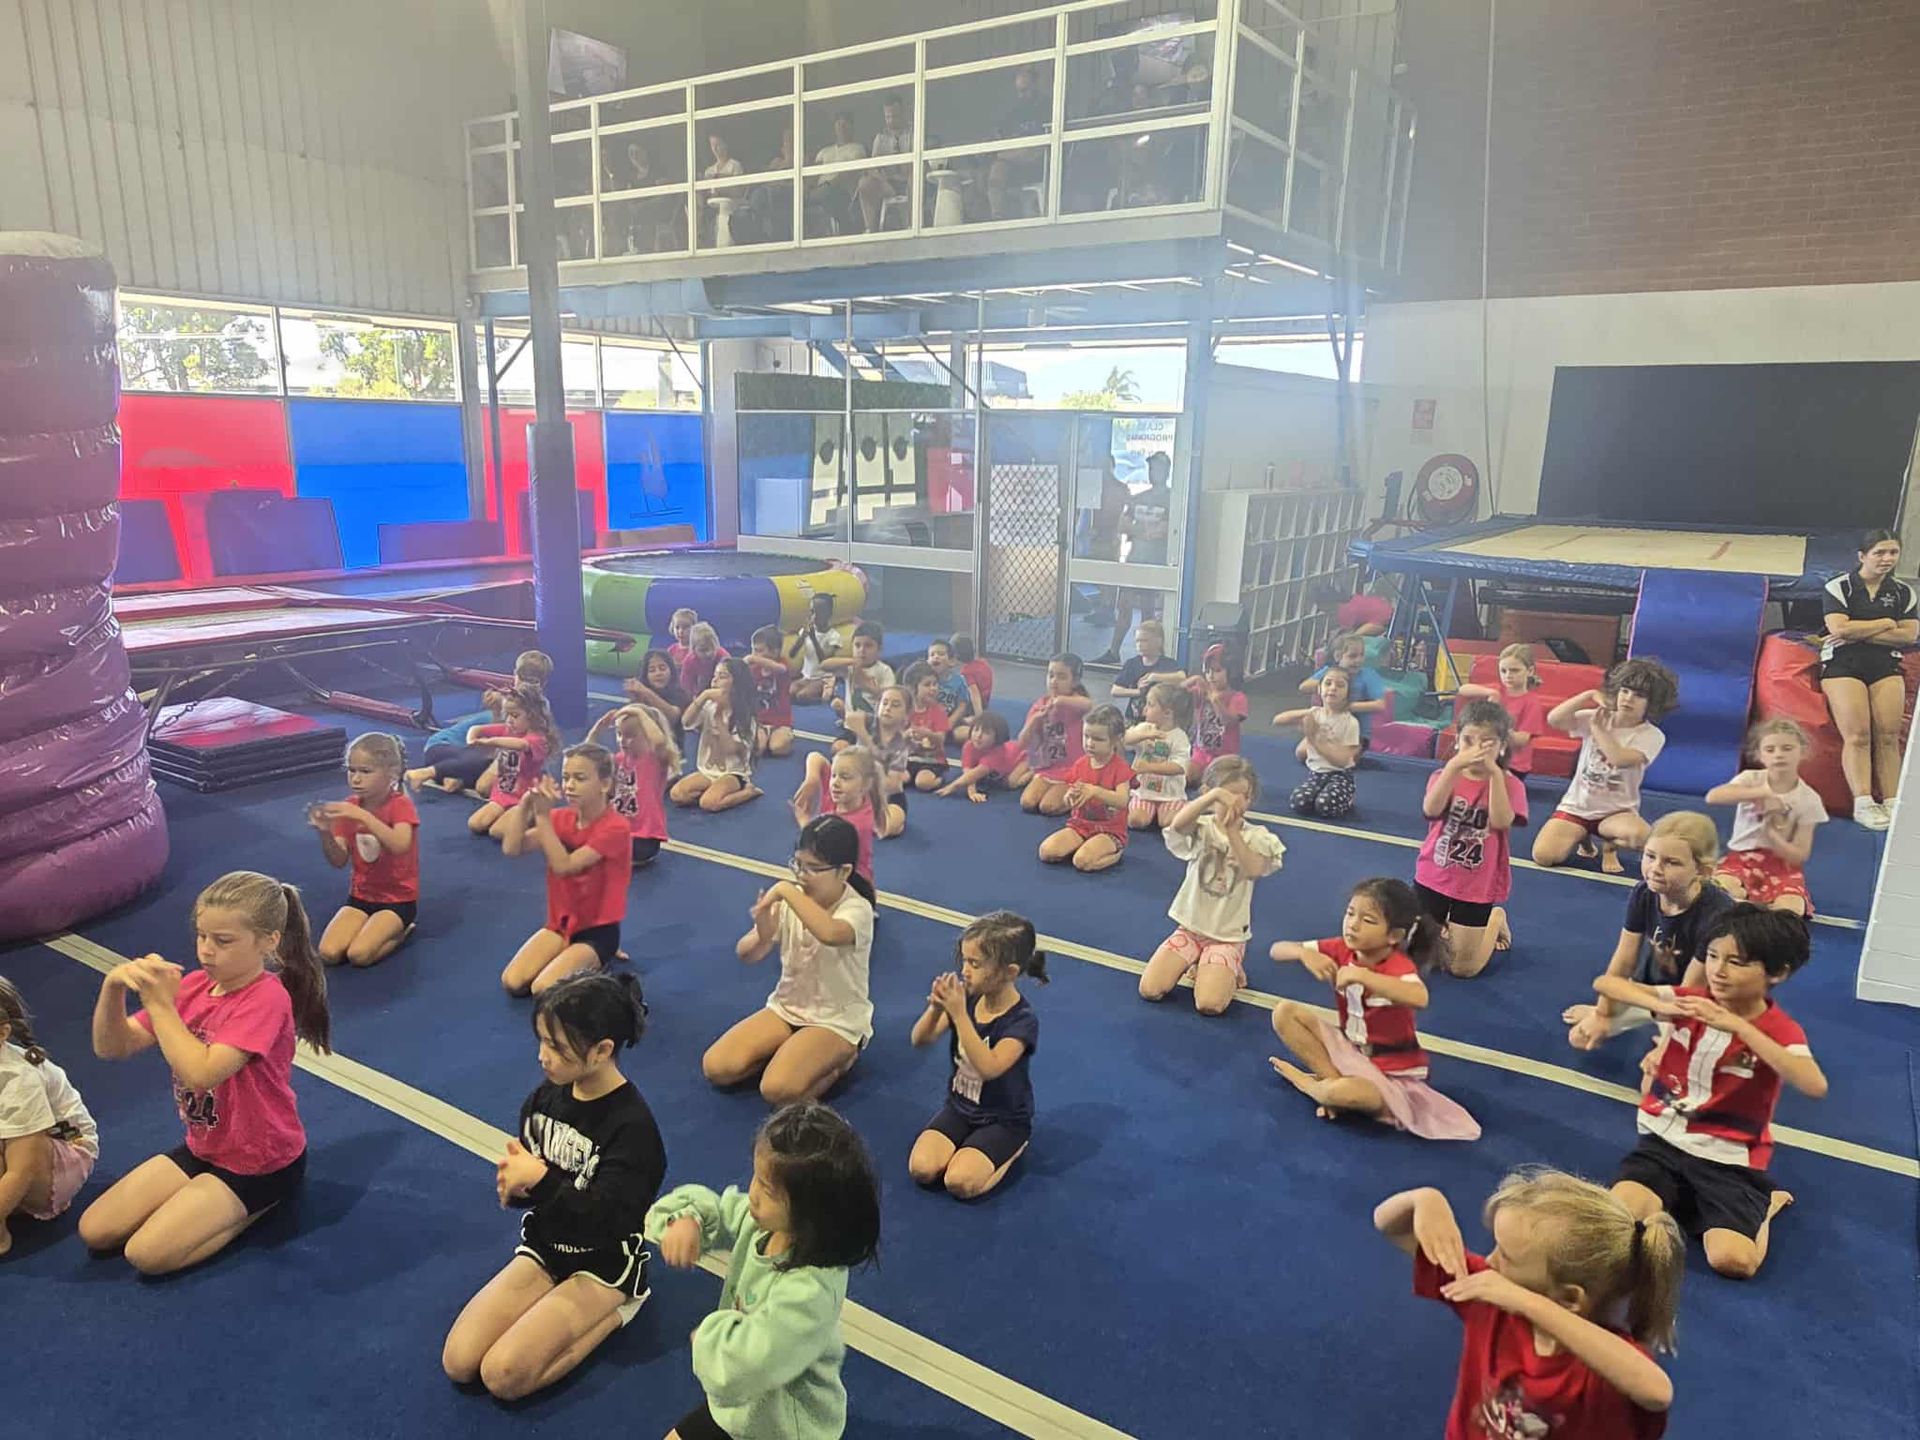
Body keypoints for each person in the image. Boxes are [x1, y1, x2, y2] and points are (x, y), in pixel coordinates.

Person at [79, 871, 330, 1275]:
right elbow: (113, 1046)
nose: (207, 951)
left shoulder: (267, 999)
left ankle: (261, 1203)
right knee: (95, 1230)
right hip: (206, 1146)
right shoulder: (195, 986)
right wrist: (113, 989)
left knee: (146, 1255)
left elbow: (201, 1074)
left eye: (223, 941)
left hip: (261, 1160)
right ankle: (208, 1200)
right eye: (202, 937)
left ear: (268, 941)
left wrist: (160, 1005)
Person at [441, 973, 665, 1401]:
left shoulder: (634, 1131)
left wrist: (540, 1184)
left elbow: (610, 1221)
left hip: (602, 1262)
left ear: (602, 1051)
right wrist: (515, 1189)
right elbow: (529, 1175)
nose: (543, 1057)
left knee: (504, 1376)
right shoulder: (545, 1099)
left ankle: (625, 1304)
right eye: (541, 1041)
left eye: (557, 1048)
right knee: (459, 1361)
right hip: (547, 1247)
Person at [1601, 904, 1825, 1279]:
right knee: (1617, 1222)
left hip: (1728, 1160)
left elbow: (1813, 1083)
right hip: (1665, 1145)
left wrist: (1739, 1027)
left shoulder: (1779, 1029)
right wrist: (1657, 1007)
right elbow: (1606, 984)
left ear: (1777, 973)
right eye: (1712, 956)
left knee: (1733, 1263)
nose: (1718, 971)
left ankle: (1764, 1203)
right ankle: (1680, 1201)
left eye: (1736, 962)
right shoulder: (1694, 1001)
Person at [1373, 1170, 1681, 1438]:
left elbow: (1657, 1391)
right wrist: (1425, 1199)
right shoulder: (1488, 1293)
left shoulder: (1601, 1361)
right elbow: (1391, 1226)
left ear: (1570, 1298)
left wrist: (1524, 1302)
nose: (1489, 1261)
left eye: (1505, 1256)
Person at [646, 1103, 880, 1440]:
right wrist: (685, 1219)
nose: (752, 1195)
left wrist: (710, 1336)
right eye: (756, 1177)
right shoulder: (766, 1225)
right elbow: (715, 1207)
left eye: (768, 1191)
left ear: (811, 1211)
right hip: (743, 1408)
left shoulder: (810, 1290)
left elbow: (745, 1365)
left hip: (786, 1425)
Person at [1268, 877, 1479, 1139]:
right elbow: (1276, 950)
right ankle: (1331, 1080)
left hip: (1388, 1073)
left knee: (1348, 1094)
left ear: (1394, 936)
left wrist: (1364, 977)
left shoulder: (1396, 966)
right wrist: (1302, 953)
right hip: (1350, 1052)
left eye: (1367, 920)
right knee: (1284, 1012)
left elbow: (1419, 996)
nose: (1353, 925)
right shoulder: (1341, 948)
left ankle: (1312, 1086)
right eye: (1350, 913)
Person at [705, 817, 877, 1105]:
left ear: (844, 871)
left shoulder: (856, 909)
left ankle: (845, 1055)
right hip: (787, 1008)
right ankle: (792, 1054)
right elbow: (747, 955)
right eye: (798, 864)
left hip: (836, 1020)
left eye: (813, 868)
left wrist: (784, 890)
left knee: (776, 1089)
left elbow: (830, 933)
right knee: (717, 1067)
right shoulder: (795, 897)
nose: (801, 875)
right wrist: (763, 933)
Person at [1563, 812, 1733, 1051]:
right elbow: (1623, 961)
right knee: (1579, 1037)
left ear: (1702, 871)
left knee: (1660, 1078)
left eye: (1671, 862)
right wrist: (1602, 1013)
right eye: (1650, 856)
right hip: (1650, 991)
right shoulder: (1644, 893)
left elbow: (1691, 990)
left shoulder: (1717, 914)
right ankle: (1641, 1016)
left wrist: (1664, 1051)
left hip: (1697, 1002)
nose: (1655, 869)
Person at [909, 911, 1046, 1199]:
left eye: (975, 964)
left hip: (1003, 1118)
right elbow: (920, 1040)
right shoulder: (969, 997)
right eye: (964, 961)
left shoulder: (1022, 1021)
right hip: (960, 1107)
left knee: (960, 1183)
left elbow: (990, 1067)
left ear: (1009, 972)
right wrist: (936, 1008)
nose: (965, 971)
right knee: (922, 1169)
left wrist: (959, 1015)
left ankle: (1015, 1147)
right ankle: (972, 1147)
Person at [1138, 756, 1284, 1015]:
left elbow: (1253, 869)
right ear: (1208, 793)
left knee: (1209, 1005)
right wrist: (1211, 797)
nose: (1236, 802)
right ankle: (1199, 960)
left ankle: (1231, 964)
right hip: (1191, 928)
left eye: (1244, 796)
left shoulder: (1258, 837)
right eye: (1229, 794)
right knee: (1150, 989)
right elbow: (1178, 825)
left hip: (1226, 936)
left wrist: (1233, 833)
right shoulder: (1201, 828)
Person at [501, 749, 634, 996]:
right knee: (513, 982)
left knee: (543, 988)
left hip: (597, 930)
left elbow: (565, 866)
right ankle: (571, 957)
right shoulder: (561, 818)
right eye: (566, 777)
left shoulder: (616, 828)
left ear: (604, 784)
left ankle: (598, 961)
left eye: (580, 778)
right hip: (560, 923)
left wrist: (541, 817)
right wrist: (524, 806)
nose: (570, 786)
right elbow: (512, 848)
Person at [1531, 658, 1678, 872]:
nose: (1628, 699)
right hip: (1577, 807)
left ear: (1651, 703)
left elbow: (1618, 758)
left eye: (1639, 696)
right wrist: (1588, 695)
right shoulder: (1597, 716)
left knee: (1642, 837)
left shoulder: (1651, 735)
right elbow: (1554, 719)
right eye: (1625, 691)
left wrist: (1598, 730)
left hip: (1616, 813)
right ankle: (1583, 838)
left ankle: (1609, 847)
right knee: (1544, 855)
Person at [1416, 701, 1527, 978]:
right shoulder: (1443, 775)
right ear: (1457, 741)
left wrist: (1495, 775)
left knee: (1462, 969)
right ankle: (1444, 928)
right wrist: (1454, 767)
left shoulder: (1511, 784)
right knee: (1417, 957)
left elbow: (1501, 822)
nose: (1476, 749)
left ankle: (1494, 919)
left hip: (1476, 883)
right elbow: (1431, 810)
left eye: (1487, 742)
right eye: (1468, 740)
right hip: (1434, 875)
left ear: (1501, 746)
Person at [1820, 530, 1916, 829]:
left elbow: (1909, 634)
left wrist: (1858, 630)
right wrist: (1886, 623)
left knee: (1888, 736)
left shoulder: (1903, 592)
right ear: (1862, 556)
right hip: (1842, 665)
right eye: (1879, 553)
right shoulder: (1840, 587)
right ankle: (1863, 802)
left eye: (1893, 553)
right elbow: (1838, 627)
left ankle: (1892, 801)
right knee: (1858, 735)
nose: (1887, 559)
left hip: (1884, 665)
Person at [0, 976, 98, 1255]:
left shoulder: (19, 1082)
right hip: (23, 1138)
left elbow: (22, 1170)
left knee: (18, 1149)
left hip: (66, 1148)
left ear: (2, 1033)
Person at [310, 733, 418, 968]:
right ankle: (373, 927)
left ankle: (403, 931)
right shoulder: (350, 808)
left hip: (398, 900)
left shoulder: (400, 805)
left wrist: (362, 816)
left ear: (390, 773)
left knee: (359, 956)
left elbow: (400, 845)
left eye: (365, 772)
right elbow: (338, 860)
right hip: (361, 896)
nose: (356, 779)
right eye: (352, 770)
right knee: (328, 953)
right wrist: (325, 832)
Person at [1704, 718, 1827, 915]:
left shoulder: (1809, 799)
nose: (1779, 755)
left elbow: (1800, 853)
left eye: (1787, 748)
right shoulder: (1751, 779)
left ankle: (1756, 910)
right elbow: (1713, 796)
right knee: (1721, 890)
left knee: (1791, 909)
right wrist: (1762, 793)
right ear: (1760, 755)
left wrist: (1773, 834)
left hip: (1781, 867)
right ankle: (1745, 905)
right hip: (1741, 860)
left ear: (1802, 751)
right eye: (1770, 750)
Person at [407, 650, 553, 795]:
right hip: (440, 747)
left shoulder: (536, 707)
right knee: (497, 763)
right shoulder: (507, 703)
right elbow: (491, 748)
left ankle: (456, 776)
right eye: (525, 679)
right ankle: (427, 772)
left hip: (458, 755)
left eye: (533, 681)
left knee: (513, 765)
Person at [1096, 455, 1175, 663]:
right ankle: (1113, 651)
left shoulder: (1173, 499)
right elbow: (1123, 525)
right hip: (1135, 558)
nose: (1153, 473)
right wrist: (1144, 530)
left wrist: (1141, 529)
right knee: (1124, 604)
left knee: (1148, 610)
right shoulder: (1138, 498)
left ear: (1166, 471)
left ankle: (1150, 656)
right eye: (1150, 469)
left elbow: (1165, 531)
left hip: (1155, 561)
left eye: (1157, 469)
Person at [1037, 705, 1133, 873]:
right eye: (1086, 736)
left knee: (1082, 862)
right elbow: (1070, 795)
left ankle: (1116, 852)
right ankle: (1085, 845)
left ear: (1116, 740)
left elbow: (1123, 800)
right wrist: (1069, 798)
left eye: (1098, 739)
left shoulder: (1120, 768)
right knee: (1046, 852)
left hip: (1110, 830)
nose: (1090, 743)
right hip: (1080, 825)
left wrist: (1095, 791)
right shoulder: (1081, 763)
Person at [586, 703, 680, 869]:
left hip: (644, 837)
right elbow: (588, 756)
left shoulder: (654, 760)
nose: (623, 740)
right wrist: (596, 730)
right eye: (619, 734)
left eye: (631, 736)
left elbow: (659, 741)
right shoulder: (619, 759)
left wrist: (639, 713)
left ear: (647, 736)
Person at [467, 684, 560, 840]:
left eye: (515, 716)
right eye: (508, 715)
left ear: (532, 716)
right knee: (476, 824)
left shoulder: (538, 739)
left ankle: (534, 812)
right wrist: (472, 739)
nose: (509, 720)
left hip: (524, 795)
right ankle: (511, 813)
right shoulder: (509, 730)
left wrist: (490, 742)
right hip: (504, 791)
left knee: (497, 832)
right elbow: (476, 729)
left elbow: (520, 745)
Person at [672, 658, 762, 812]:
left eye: (723, 676)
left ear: (736, 683)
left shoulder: (745, 716)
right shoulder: (708, 705)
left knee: (708, 803)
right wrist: (703, 697)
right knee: (677, 795)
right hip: (707, 771)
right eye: (715, 675)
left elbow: (729, 749)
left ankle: (748, 792)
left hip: (733, 773)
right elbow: (686, 722)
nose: (715, 680)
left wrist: (719, 719)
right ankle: (712, 789)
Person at [1274, 666, 1362, 819]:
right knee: (1299, 802)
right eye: (1328, 683)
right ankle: (1323, 793)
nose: (1333, 688)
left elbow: (1341, 761)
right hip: (1317, 774)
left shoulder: (1351, 722)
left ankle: (1348, 797)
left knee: (1325, 806)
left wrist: (1313, 738)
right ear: (1320, 689)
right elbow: (1278, 720)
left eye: (1340, 685)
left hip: (1340, 775)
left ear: (1347, 693)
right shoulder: (1315, 714)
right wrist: (1307, 714)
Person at [792, 746, 886, 888]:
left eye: (845, 777)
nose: (835, 782)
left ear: (865, 784)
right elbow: (815, 756)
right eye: (833, 775)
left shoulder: (857, 824)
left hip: (851, 885)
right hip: (833, 873)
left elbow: (818, 848)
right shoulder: (842, 794)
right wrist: (812, 778)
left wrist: (804, 821)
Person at [1455, 642, 1550, 780]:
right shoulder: (1498, 691)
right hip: (1490, 756)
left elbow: (1521, 740)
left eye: (1514, 670)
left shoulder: (1531, 702)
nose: (1508, 675)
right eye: (1503, 671)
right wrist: (1489, 692)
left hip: (1514, 763)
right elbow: (1463, 690)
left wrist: (1499, 719)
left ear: (1529, 671)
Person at [1013, 652, 1093, 814]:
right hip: (1048, 768)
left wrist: (1060, 701)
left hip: (1072, 770)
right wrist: (1035, 720)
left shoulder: (1075, 704)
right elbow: (1021, 742)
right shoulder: (1040, 705)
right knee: (1027, 803)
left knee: (1047, 807)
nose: (1054, 681)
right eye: (1051, 675)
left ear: (1075, 681)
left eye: (1062, 677)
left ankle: (1084, 788)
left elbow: (1089, 705)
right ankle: (1034, 775)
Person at [839, 683, 912, 836]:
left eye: (895, 705)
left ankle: (863, 819)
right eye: (884, 703)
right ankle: (860, 819)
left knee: (889, 826)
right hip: (857, 793)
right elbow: (851, 717)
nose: (888, 708)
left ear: (906, 715)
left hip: (887, 798)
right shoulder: (871, 722)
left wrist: (867, 742)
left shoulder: (900, 744)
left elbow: (891, 784)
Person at [1300, 632, 1389, 747]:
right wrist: (1333, 682)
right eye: (1352, 656)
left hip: (1358, 735)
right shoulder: (1330, 672)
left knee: (1335, 755)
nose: (1358, 660)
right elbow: (1304, 687)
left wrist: (1345, 706)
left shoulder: (1368, 675)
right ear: (1338, 656)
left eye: (1361, 655)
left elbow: (1380, 705)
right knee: (1302, 751)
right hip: (1330, 728)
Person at [1125, 681, 1193, 830]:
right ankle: (1148, 810)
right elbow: (1124, 739)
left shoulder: (1179, 737)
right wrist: (1143, 735)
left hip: (1170, 794)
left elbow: (1179, 766)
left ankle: (1186, 809)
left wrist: (1149, 767)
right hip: (1144, 792)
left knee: (1168, 823)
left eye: (1150, 705)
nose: (1144, 710)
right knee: (1136, 821)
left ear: (1167, 713)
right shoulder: (1144, 728)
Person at [987, 66, 1048, 220]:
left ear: (1036, 85)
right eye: (1020, 91)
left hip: (1041, 159)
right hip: (1016, 162)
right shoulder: (1014, 112)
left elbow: (1047, 141)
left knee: (1001, 157)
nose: (1023, 95)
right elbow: (1000, 133)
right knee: (995, 168)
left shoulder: (1048, 106)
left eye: (1026, 90)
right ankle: (997, 216)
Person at [1183, 643, 1247, 785]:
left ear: (1230, 672)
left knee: (1218, 784)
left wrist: (1215, 700)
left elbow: (1227, 721)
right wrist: (1193, 680)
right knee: (1186, 776)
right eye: (1208, 671)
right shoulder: (1201, 692)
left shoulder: (1238, 697)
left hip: (1225, 756)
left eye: (1217, 671)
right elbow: (1176, 693)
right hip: (1200, 752)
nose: (1211, 676)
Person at [825, 620, 895, 739]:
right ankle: (845, 719)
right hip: (852, 726)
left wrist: (866, 686)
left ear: (879, 650)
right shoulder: (850, 668)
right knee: (838, 748)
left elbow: (889, 698)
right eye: (857, 645)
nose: (862, 650)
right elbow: (824, 665)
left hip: (875, 725)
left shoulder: (884, 670)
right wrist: (851, 661)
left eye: (868, 646)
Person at [1108, 618, 1185, 724]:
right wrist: (1138, 692)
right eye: (1137, 641)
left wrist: (1155, 677)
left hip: (1160, 720)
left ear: (1158, 641)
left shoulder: (1168, 664)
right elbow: (1115, 690)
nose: (1139, 645)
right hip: (1134, 719)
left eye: (1144, 641)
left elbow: (1182, 677)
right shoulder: (1132, 664)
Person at [937, 710, 1022, 803]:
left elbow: (976, 773)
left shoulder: (998, 752)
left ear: (997, 737)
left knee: (1011, 783)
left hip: (1023, 757)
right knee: (986, 779)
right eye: (976, 730)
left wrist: (952, 786)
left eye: (986, 733)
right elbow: (968, 771)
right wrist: (972, 792)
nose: (978, 736)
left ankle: (1031, 774)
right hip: (998, 766)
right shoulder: (969, 745)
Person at [857, 93, 913, 233]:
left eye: (894, 116)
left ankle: (913, 224)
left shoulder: (912, 134)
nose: (891, 120)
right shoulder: (880, 138)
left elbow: (917, 162)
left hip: (908, 180)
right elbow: (873, 167)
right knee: (865, 183)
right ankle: (871, 228)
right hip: (887, 182)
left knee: (915, 178)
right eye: (888, 117)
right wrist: (884, 182)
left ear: (902, 114)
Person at [811, 111, 868, 234]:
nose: (842, 128)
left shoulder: (857, 148)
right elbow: (812, 174)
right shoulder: (824, 152)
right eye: (839, 124)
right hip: (819, 191)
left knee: (829, 195)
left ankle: (847, 229)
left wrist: (830, 185)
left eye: (845, 124)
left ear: (852, 127)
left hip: (841, 191)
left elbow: (851, 173)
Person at [745, 624, 796, 758]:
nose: (754, 654)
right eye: (753, 650)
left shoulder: (782, 664)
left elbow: (779, 669)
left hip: (781, 721)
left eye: (759, 651)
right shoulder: (754, 669)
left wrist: (754, 659)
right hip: (760, 721)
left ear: (775, 652)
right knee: (757, 748)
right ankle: (763, 738)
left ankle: (784, 737)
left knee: (777, 748)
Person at [902, 661, 954, 792]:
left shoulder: (938, 711)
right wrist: (907, 735)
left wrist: (928, 734)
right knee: (898, 780)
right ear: (912, 688)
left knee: (922, 783)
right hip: (908, 758)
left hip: (932, 760)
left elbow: (940, 740)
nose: (933, 688)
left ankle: (940, 778)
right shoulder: (904, 710)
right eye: (927, 685)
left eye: (935, 684)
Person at [625, 649, 693, 748]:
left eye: (662, 668)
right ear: (645, 675)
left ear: (671, 670)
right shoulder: (640, 694)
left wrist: (647, 692)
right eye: (652, 670)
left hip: (672, 752)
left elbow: (672, 717)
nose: (658, 673)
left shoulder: (681, 694)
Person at [788, 592, 844, 705]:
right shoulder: (806, 631)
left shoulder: (834, 637)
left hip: (823, 678)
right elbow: (792, 654)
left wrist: (814, 639)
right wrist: (802, 637)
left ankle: (828, 695)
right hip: (807, 677)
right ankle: (820, 693)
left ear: (828, 614)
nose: (814, 617)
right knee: (790, 692)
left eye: (820, 613)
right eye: (813, 612)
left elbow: (825, 662)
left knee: (802, 696)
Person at [926, 637, 979, 741]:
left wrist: (951, 721)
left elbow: (962, 705)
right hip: (929, 721)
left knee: (961, 734)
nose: (935, 657)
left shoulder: (959, 681)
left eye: (941, 654)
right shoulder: (925, 680)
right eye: (932, 655)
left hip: (951, 720)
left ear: (951, 661)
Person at [679, 621, 731, 697]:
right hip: (698, 693)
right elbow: (686, 687)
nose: (709, 653)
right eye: (703, 650)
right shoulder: (690, 661)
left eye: (713, 648)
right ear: (693, 650)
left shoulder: (723, 657)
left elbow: (730, 683)